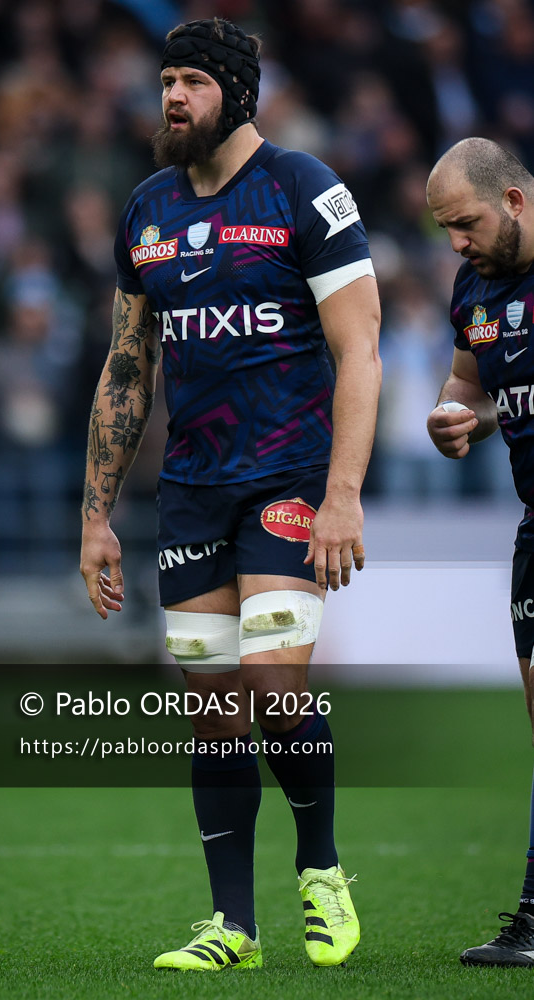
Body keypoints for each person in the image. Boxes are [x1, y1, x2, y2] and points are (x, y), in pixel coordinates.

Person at [80, 17, 381, 971]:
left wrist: (343, 495)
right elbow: (126, 368)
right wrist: (95, 517)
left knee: (275, 688)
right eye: (166, 80)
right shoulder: (147, 210)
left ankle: (322, 871)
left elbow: (361, 351)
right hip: (192, 492)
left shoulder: (303, 188)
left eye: (193, 82)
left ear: (238, 94)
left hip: (289, 480)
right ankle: (233, 929)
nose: (173, 97)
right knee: (212, 711)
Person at [426, 136, 534, 967]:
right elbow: (470, 383)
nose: (457, 243)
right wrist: (455, 416)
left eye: (466, 223)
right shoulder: (476, 288)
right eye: (446, 230)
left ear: (515, 201)